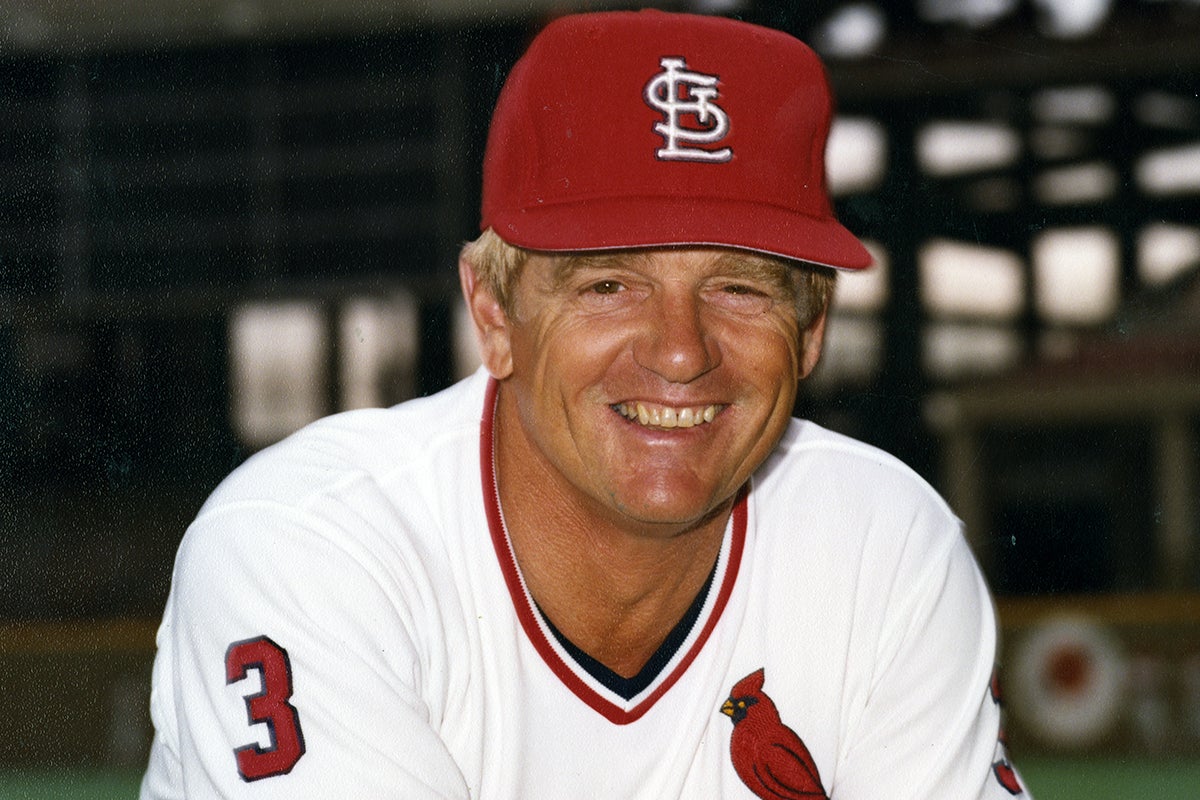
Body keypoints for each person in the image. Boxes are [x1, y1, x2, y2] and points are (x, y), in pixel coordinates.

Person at [141, 9, 1028, 799]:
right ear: (495, 314)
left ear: (811, 330)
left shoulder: (887, 544)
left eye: (740, 288)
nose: (681, 350)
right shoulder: (306, 542)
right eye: (608, 284)